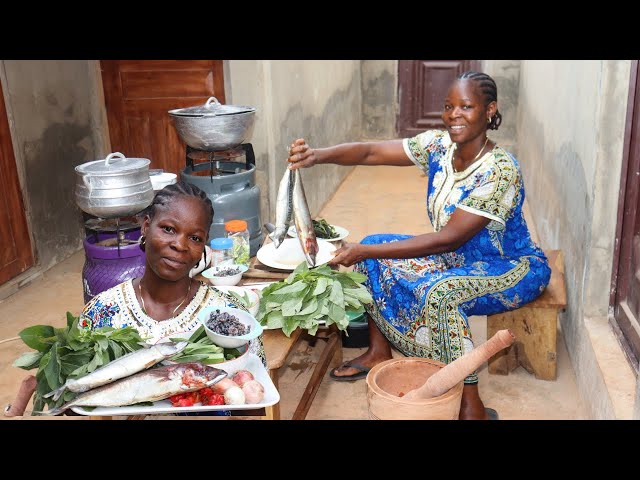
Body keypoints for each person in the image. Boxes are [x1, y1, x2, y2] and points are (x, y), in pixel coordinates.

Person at [287, 71, 551, 420]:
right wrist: (316, 156)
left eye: (466, 107)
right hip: (455, 258)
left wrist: (362, 253)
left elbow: (448, 237)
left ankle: (470, 407)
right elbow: (370, 153)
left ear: (490, 110)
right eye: (448, 106)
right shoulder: (440, 146)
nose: (454, 115)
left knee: (441, 293)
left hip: (512, 267)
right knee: (374, 246)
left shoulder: (500, 170)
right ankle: (378, 352)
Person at [79, 181, 265, 362]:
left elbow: (257, 384)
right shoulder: (101, 313)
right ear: (145, 226)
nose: (180, 245)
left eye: (195, 238)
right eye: (168, 229)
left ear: (203, 245)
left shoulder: (228, 315)